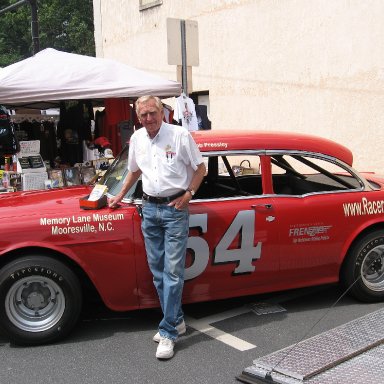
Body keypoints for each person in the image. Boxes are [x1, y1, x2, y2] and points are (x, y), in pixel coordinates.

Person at [109, 95, 206, 359]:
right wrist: (119, 194)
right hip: (149, 208)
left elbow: (200, 168)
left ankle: (168, 332)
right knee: (158, 272)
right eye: (143, 115)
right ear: (138, 117)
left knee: (173, 272)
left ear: (162, 112)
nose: (149, 119)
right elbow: (134, 171)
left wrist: (188, 194)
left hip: (175, 209)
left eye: (152, 113)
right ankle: (177, 320)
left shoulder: (179, 135)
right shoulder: (137, 139)